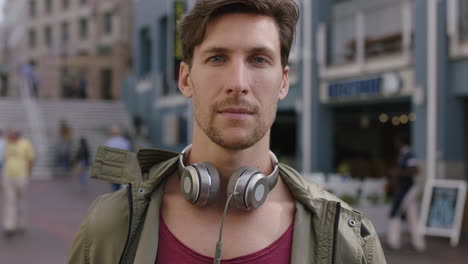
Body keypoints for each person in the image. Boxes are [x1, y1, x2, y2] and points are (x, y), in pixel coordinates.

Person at [68, 1, 386, 263]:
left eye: (259, 60)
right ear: (185, 78)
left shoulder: (350, 242)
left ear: (284, 81)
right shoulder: (110, 226)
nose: (238, 83)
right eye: (217, 58)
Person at [386, 135, 426, 251]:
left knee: (395, 212)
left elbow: (416, 170)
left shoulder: (408, 154)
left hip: (407, 189)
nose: (395, 144)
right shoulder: (404, 154)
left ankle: (393, 241)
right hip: (405, 188)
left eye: (396, 141)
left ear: (400, 142)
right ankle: (419, 243)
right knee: (412, 216)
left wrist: (399, 173)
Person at [2, 128, 35, 238]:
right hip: (8, 176)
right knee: (9, 201)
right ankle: (9, 226)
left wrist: (29, 173)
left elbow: (31, 159)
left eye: (11, 135)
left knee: (21, 201)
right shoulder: (8, 144)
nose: (9, 137)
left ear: (17, 135)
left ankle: (21, 224)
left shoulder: (26, 144)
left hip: (22, 176)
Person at [104, 124, 131, 191]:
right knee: (121, 185)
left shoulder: (109, 142)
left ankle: (114, 197)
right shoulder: (125, 142)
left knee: (114, 185)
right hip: (122, 166)